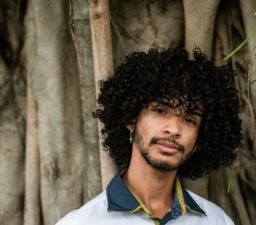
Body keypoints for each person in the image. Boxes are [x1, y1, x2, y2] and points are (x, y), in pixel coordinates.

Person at [56, 47, 242, 225]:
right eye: (161, 110)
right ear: (130, 119)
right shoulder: (81, 222)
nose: (174, 129)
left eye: (190, 120)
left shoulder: (216, 221)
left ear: (199, 140)